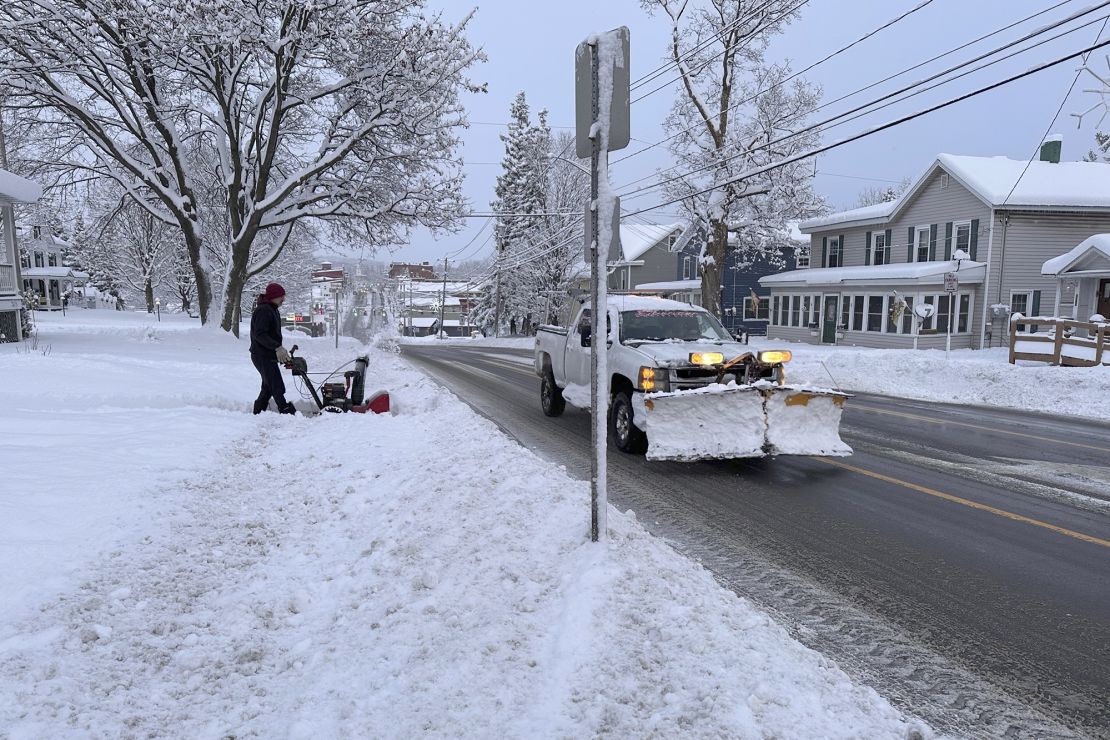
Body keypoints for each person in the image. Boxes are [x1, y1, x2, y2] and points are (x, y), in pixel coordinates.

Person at [250, 282, 296, 415]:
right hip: (261, 355)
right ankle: (284, 409)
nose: (283, 299)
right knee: (275, 383)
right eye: (282, 296)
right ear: (274, 296)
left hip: (268, 354)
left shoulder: (272, 309)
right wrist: (277, 347)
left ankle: (258, 412)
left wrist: (279, 350)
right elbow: (260, 334)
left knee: (268, 385)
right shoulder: (264, 310)